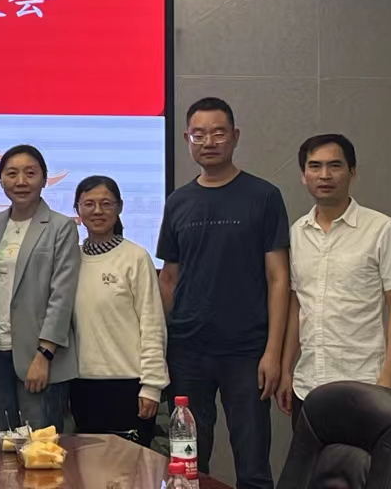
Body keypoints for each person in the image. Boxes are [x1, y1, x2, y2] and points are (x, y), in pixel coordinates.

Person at [157, 97, 290, 489]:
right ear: (187, 138)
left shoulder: (263, 196)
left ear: (235, 136)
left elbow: (278, 278)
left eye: (218, 133)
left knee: (253, 463)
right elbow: (169, 279)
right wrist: (164, 344)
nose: (209, 142)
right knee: (188, 462)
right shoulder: (178, 201)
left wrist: (273, 352)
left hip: (246, 350)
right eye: (199, 134)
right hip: (188, 351)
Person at [277, 134, 391, 424]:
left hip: (366, 382)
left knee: (365, 456)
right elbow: (297, 305)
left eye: (335, 165)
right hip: (308, 384)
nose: (324, 175)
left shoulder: (381, 229)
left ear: (352, 172)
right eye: (315, 166)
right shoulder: (297, 233)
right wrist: (287, 370)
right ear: (303, 175)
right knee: (311, 456)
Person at [0, 145, 79, 434]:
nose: (21, 181)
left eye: (30, 173)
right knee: (4, 441)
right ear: (0, 180)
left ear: (44, 179)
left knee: (41, 445)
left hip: (39, 355)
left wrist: (44, 354)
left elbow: (62, 296)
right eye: (12, 174)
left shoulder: (61, 227)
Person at [69, 174, 167, 447]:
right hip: (81, 385)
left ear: (120, 207)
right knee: (88, 467)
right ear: (77, 210)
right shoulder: (70, 259)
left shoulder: (135, 257)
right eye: (89, 204)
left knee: (129, 469)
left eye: (106, 203)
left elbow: (152, 323)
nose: (97, 211)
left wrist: (152, 386)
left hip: (128, 384)